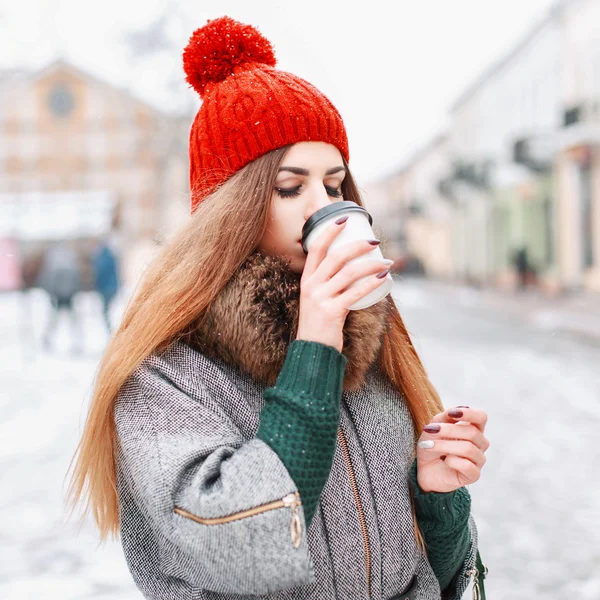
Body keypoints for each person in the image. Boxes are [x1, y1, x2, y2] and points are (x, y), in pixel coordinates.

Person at [68, 16, 489, 600]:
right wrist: (314, 345)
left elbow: (425, 576)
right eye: (290, 188)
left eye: (335, 185)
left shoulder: (364, 338)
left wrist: (436, 497)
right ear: (230, 211)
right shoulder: (165, 376)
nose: (324, 206)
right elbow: (244, 556)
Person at [37, 242, 82, 352]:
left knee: (55, 321)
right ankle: (77, 342)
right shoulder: (71, 267)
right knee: (70, 321)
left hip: (59, 297)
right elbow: (77, 282)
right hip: (67, 297)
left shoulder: (54, 268)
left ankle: (48, 340)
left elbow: (49, 283)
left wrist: (51, 295)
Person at [91, 239, 119, 333]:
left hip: (106, 287)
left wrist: (96, 284)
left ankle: (110, 330)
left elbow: (100, 273)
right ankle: (110, 329)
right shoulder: (111, 256)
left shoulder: (102, 258)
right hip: (112, 286)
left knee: (107, 311)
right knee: (110, 310)